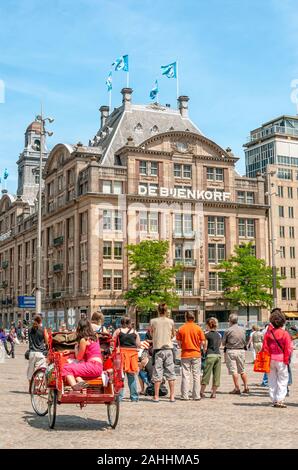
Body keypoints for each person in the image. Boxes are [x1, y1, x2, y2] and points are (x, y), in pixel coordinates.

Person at [261, 309, 293, 408]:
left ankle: (274, 399)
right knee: (283, 380)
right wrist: (287, 359)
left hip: (271, 359)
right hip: (281, 359)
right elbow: (288, 348)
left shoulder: (268, 333)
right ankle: (280, 399)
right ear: (283, 321)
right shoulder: (285, 334)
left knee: (272, 380)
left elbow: (265, 347)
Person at [61, 318, 103, 390]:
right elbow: (89, 350)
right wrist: (71, 351)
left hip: (92, 366)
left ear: (79, 328)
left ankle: (74, 386)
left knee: (66, 368)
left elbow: (79, 358)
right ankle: (81, 382)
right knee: (74, 369)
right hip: (99, 367)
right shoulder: (95, 337)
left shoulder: (84, 340)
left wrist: (75, 348)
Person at [176, 311, 206, 400]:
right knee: (196, 375)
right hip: (196, 353)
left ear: (186, 317)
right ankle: (196, 395)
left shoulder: (181, 328)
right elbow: (203, 342)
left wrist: (183, 346)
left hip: (185, 354)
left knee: (185, 375)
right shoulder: (198, 328)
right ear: (194, 318)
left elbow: (179, 343)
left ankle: (185, 395)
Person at [149, 303, 176, 402]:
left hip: (158, 349)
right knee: (171, 373)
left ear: (158, 310)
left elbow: (151, 333)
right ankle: (172, 396)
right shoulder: (171, 321)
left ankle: (156, 396)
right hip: (168, 349)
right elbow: (173, 334)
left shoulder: (153, 321)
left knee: (157, 373)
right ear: (166, 310)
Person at [113, 316, 141, 402]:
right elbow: (138, 344)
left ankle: (120, 397)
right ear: (129, 323)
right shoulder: (135, 332)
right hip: (132, 355)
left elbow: (113, 341)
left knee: (120, 377)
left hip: (121, 354)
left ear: (121, 322)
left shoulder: (118, 331)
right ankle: (134, 397)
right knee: (132, 377)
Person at [223, 313, 249, 394]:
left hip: (231, 350)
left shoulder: (228, 330)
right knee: (242, 370)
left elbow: (223, 343)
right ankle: (246, 387)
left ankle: (237, 388)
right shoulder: (243, 329)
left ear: (230, 320)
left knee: (234, 371)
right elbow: (246, 341)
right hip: (241, 351)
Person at [200, 317, 222, 399]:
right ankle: (214, 393)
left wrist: (203, 353)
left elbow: (205, 347)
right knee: (216, 375)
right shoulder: (218, 335)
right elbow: (220, 345)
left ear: (208, 325)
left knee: (206, 374)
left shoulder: (206, 335)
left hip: (210, 355)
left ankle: (202, 392)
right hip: (218, 355)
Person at [27, 316, 49, 382]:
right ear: (40, 322)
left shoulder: (29, 329)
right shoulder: (43, 329)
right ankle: (36, 387)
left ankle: (30, 388)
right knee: (39, 372)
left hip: (31, 353)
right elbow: (47, 341)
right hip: (40, 353)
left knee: (30, 372)